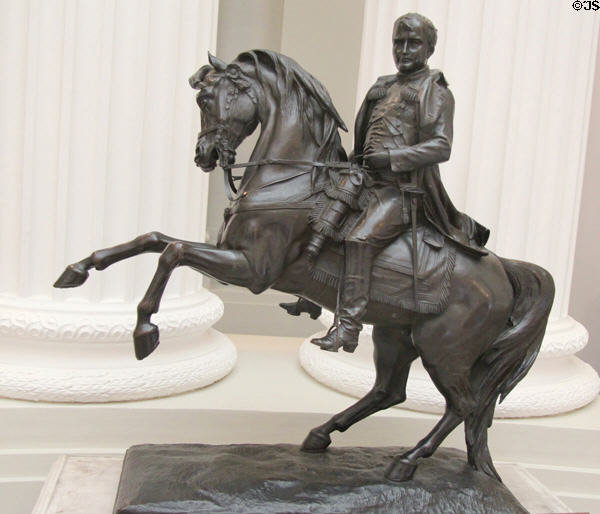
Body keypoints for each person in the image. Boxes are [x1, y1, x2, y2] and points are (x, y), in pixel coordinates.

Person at [311, 12, 489, 353]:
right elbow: (363, 138)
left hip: (402, 192)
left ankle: (347, 328)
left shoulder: (434, 91)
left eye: (413, 43)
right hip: (365, 181)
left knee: (360, 241)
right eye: (398, 42)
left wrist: (392, 159)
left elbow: (441, 145)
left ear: (429, 48)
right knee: (317, 216)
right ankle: (310, 299)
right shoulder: (383, 86)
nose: (404, 50)